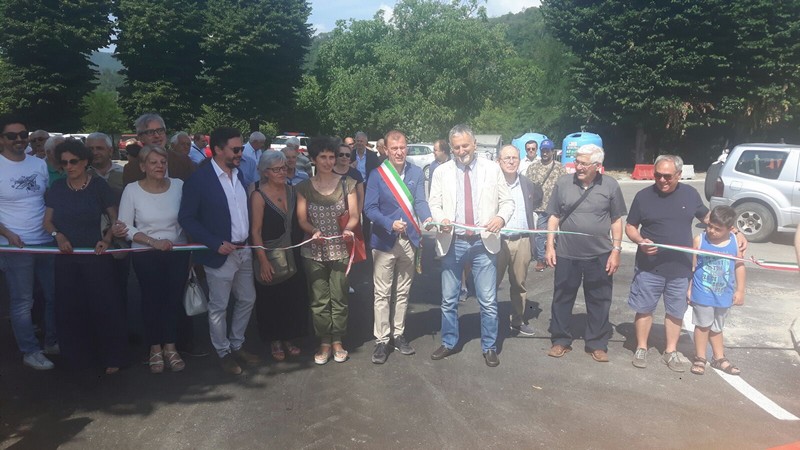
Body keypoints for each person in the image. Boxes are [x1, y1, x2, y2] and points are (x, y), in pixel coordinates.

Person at [428, 124, 514, 367]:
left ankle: (489, 346)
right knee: (448, 299)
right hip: (452, 242)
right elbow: (434, 203)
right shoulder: (441, 172)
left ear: (475, 144)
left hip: (482, 243)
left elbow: (507, 202)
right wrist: (440, 218)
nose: (461, 150)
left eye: (465, 145)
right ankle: (448, 342)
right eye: (456, 147)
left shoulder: (492, 170)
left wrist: (500, 218)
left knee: (487, 300)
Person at [179, 127, 261, 375]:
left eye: (241, 148)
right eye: (235, 149)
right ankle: (223, 351)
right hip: (219, 253)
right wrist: (214, 242)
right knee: (219, 306)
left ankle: (237, 344)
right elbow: (187, 218)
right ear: (217, 149)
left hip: (243, 249)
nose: (240, 154)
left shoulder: (239, 175)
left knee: (247, 299)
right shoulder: (199, 180)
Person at [43, 139, 127, 374]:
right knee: (71, 309)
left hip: (97, 257)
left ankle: (113, 356)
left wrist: (107, 240)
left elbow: (115, 219)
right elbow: (47, 221)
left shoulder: (99, 187)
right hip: (67, 258)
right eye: (64, 162)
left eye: (74, 161)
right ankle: (78, 358)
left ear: (85, 161)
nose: (69, 166)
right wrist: (58, 236)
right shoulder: (58, 188)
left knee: (105, 307)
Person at [625, 155, 709, 371]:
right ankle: (641, 347)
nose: (662, 180)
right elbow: (630, 227)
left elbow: (707, 218)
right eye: (657, 175)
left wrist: (734, 232)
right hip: (649, 266)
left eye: (667, 176)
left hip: (680, 268)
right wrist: (640, 241)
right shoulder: (643, 196)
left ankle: (670, 351)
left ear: (679, 175)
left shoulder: (690, 194)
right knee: (644, 309)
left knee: (675, 311)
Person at [545, 144, 626, 363]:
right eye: (577, 161)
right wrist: (550, 246)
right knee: (562, 297)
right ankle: (560, 340)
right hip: (567, 253)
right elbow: (553, 216)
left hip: (600, 254)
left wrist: (616, 251)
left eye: (583, 163)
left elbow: (616, 220)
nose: (577, 166)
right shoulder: (563, 183)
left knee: (599, 299)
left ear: (597, 165)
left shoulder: (610, 185)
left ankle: (597, 344)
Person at [116, 145, 190, 374]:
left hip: (176, 253)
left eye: (163, 162)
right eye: (153, 162)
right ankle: (154, 347)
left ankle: (170, 346)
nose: (159, 166)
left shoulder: (179, 186)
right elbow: (124, 226)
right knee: (151, 300)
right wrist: (152, 242)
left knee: (172, 300)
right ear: (142, 166)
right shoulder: (132, 190)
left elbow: (189, 217)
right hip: (145, 253)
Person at [364, 130, 432, 364]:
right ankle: (382, 339)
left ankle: (399, 333)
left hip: (410, 239)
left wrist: (428, 219)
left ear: (407, 147)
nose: (399, 152)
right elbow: (370, 208)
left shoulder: (415, 172)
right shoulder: (377, 174)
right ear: (386, 150)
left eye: (403, 147)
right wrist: (389, 223)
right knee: (382, 293)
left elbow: (421, 201)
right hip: (384, 240)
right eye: (394, 148)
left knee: (403, 291)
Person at [0, 116, 58, 370]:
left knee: (54, 295)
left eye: (23, 134)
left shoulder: (39, 164)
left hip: (45, 242)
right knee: (23, 301)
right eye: (12, 136)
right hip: (16, 245)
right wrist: (7, 234)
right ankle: (29, 350)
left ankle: (52, 341)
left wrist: (53, 230)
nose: (19, 140)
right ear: (2, 139)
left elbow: (47, 199)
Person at [295, 136, 359, 365]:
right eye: (323, 157)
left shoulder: (347, 184)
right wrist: (313, 231)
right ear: (313, 159)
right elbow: (301, 219)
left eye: (332, 156)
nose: (329, 161)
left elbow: (354, 216)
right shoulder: (303, 187)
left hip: (340, 249)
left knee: (339, 296)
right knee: (319, 299)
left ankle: (338, 341)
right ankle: (323, 341)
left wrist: (348, 230)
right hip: (313, 251)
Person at [249, 151, 309, 361]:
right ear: (265, 172)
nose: (282, 172)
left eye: (284, 168)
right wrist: (262, 260)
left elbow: (302, 220)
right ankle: (274, 340)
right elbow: (255, 231)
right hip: (270, 253)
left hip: (293, 253)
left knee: (291, 297)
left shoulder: (293, 191)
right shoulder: (258, 195)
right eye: (277, 169)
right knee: (270, 298)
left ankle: (288, 337)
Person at [688, 206, 746, 376]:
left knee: (717, 327)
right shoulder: (700, 240)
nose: (711, 231)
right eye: (710, 226)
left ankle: (718, 357)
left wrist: (740, 290)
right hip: (702, 292)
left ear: (730, 229)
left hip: (724, 294)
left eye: (717, 229)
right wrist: (689, 288)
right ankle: (700, 357)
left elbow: (739, 266)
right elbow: (692, 265)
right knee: (703, 325)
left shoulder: (735, 243)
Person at [496, 145, 541, 338]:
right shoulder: (492, 183)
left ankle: (518, 319)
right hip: (497, 241)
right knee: (490, 283)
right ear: (499, 161)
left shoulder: (527, 184)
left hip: (522, 240)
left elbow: (536, 204)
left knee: (519, 283)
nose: (511, 161)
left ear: (520, 160)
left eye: (514, 158)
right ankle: (489, 320)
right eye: (507, 158)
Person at [526, 139, 565, 272]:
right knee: (540, 234)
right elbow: (527, 186)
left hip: (557, 207)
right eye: (543, 150)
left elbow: (565, 187)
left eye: (547, 150)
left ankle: (558, 256)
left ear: (552, 152)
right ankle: (541, 259)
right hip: (540, 207)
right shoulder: (533, 167)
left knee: (558, 234)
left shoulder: (560, 167)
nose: (545, 153)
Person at [123, 113, 194, 186]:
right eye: (150, 132)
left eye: (160, 130)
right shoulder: (131, 169)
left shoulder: (184, 161)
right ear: (141, 138)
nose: (157, 135)